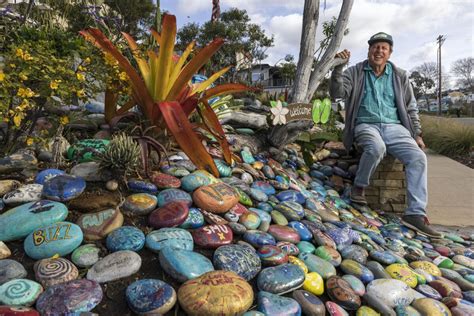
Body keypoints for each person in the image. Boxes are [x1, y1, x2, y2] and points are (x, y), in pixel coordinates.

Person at [330, 32, 442, 237]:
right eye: (375, 47)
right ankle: (359, 188)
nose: (379, 51)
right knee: (376, 147)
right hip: (366, 124)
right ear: (369, 50)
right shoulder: (355, 72)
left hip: (395, 128)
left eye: (384, 48)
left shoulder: (400, 75)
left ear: (390, 53)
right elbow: (337, 94)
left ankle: (415, 214)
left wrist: (416, 133)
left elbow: (411, 107)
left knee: (418, 158)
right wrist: (338, 67)